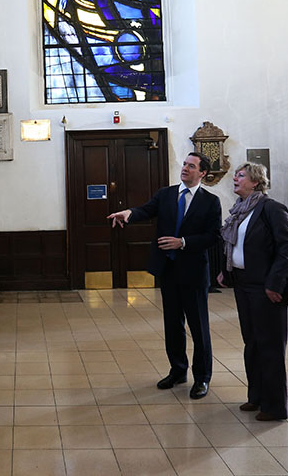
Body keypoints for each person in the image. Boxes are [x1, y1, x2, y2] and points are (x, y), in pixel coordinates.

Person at [108, 152, 222, 399]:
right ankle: (178, 371)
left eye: (191, 166)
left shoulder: (210, 201)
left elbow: (213, 237)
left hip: (193, 273)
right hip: (168, 272)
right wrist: (128, 213)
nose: (185, 169)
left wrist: (182, 242)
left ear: (202, 173)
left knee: (199, 328)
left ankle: (202, 378)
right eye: (184, 164)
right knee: (172, 325)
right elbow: (146, 210)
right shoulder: (166, 194)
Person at [216, 163, 288, 421]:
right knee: (251, 343)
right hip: (243, 283)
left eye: (240, 176)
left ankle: (275, 406)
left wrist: (275, 283)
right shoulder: (239, 210)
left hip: (266, 287)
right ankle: (257, 397)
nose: (235, 179)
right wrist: (226, 272)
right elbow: (234, 246)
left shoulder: (271, 208)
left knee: (270, 345)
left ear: (255, 181)